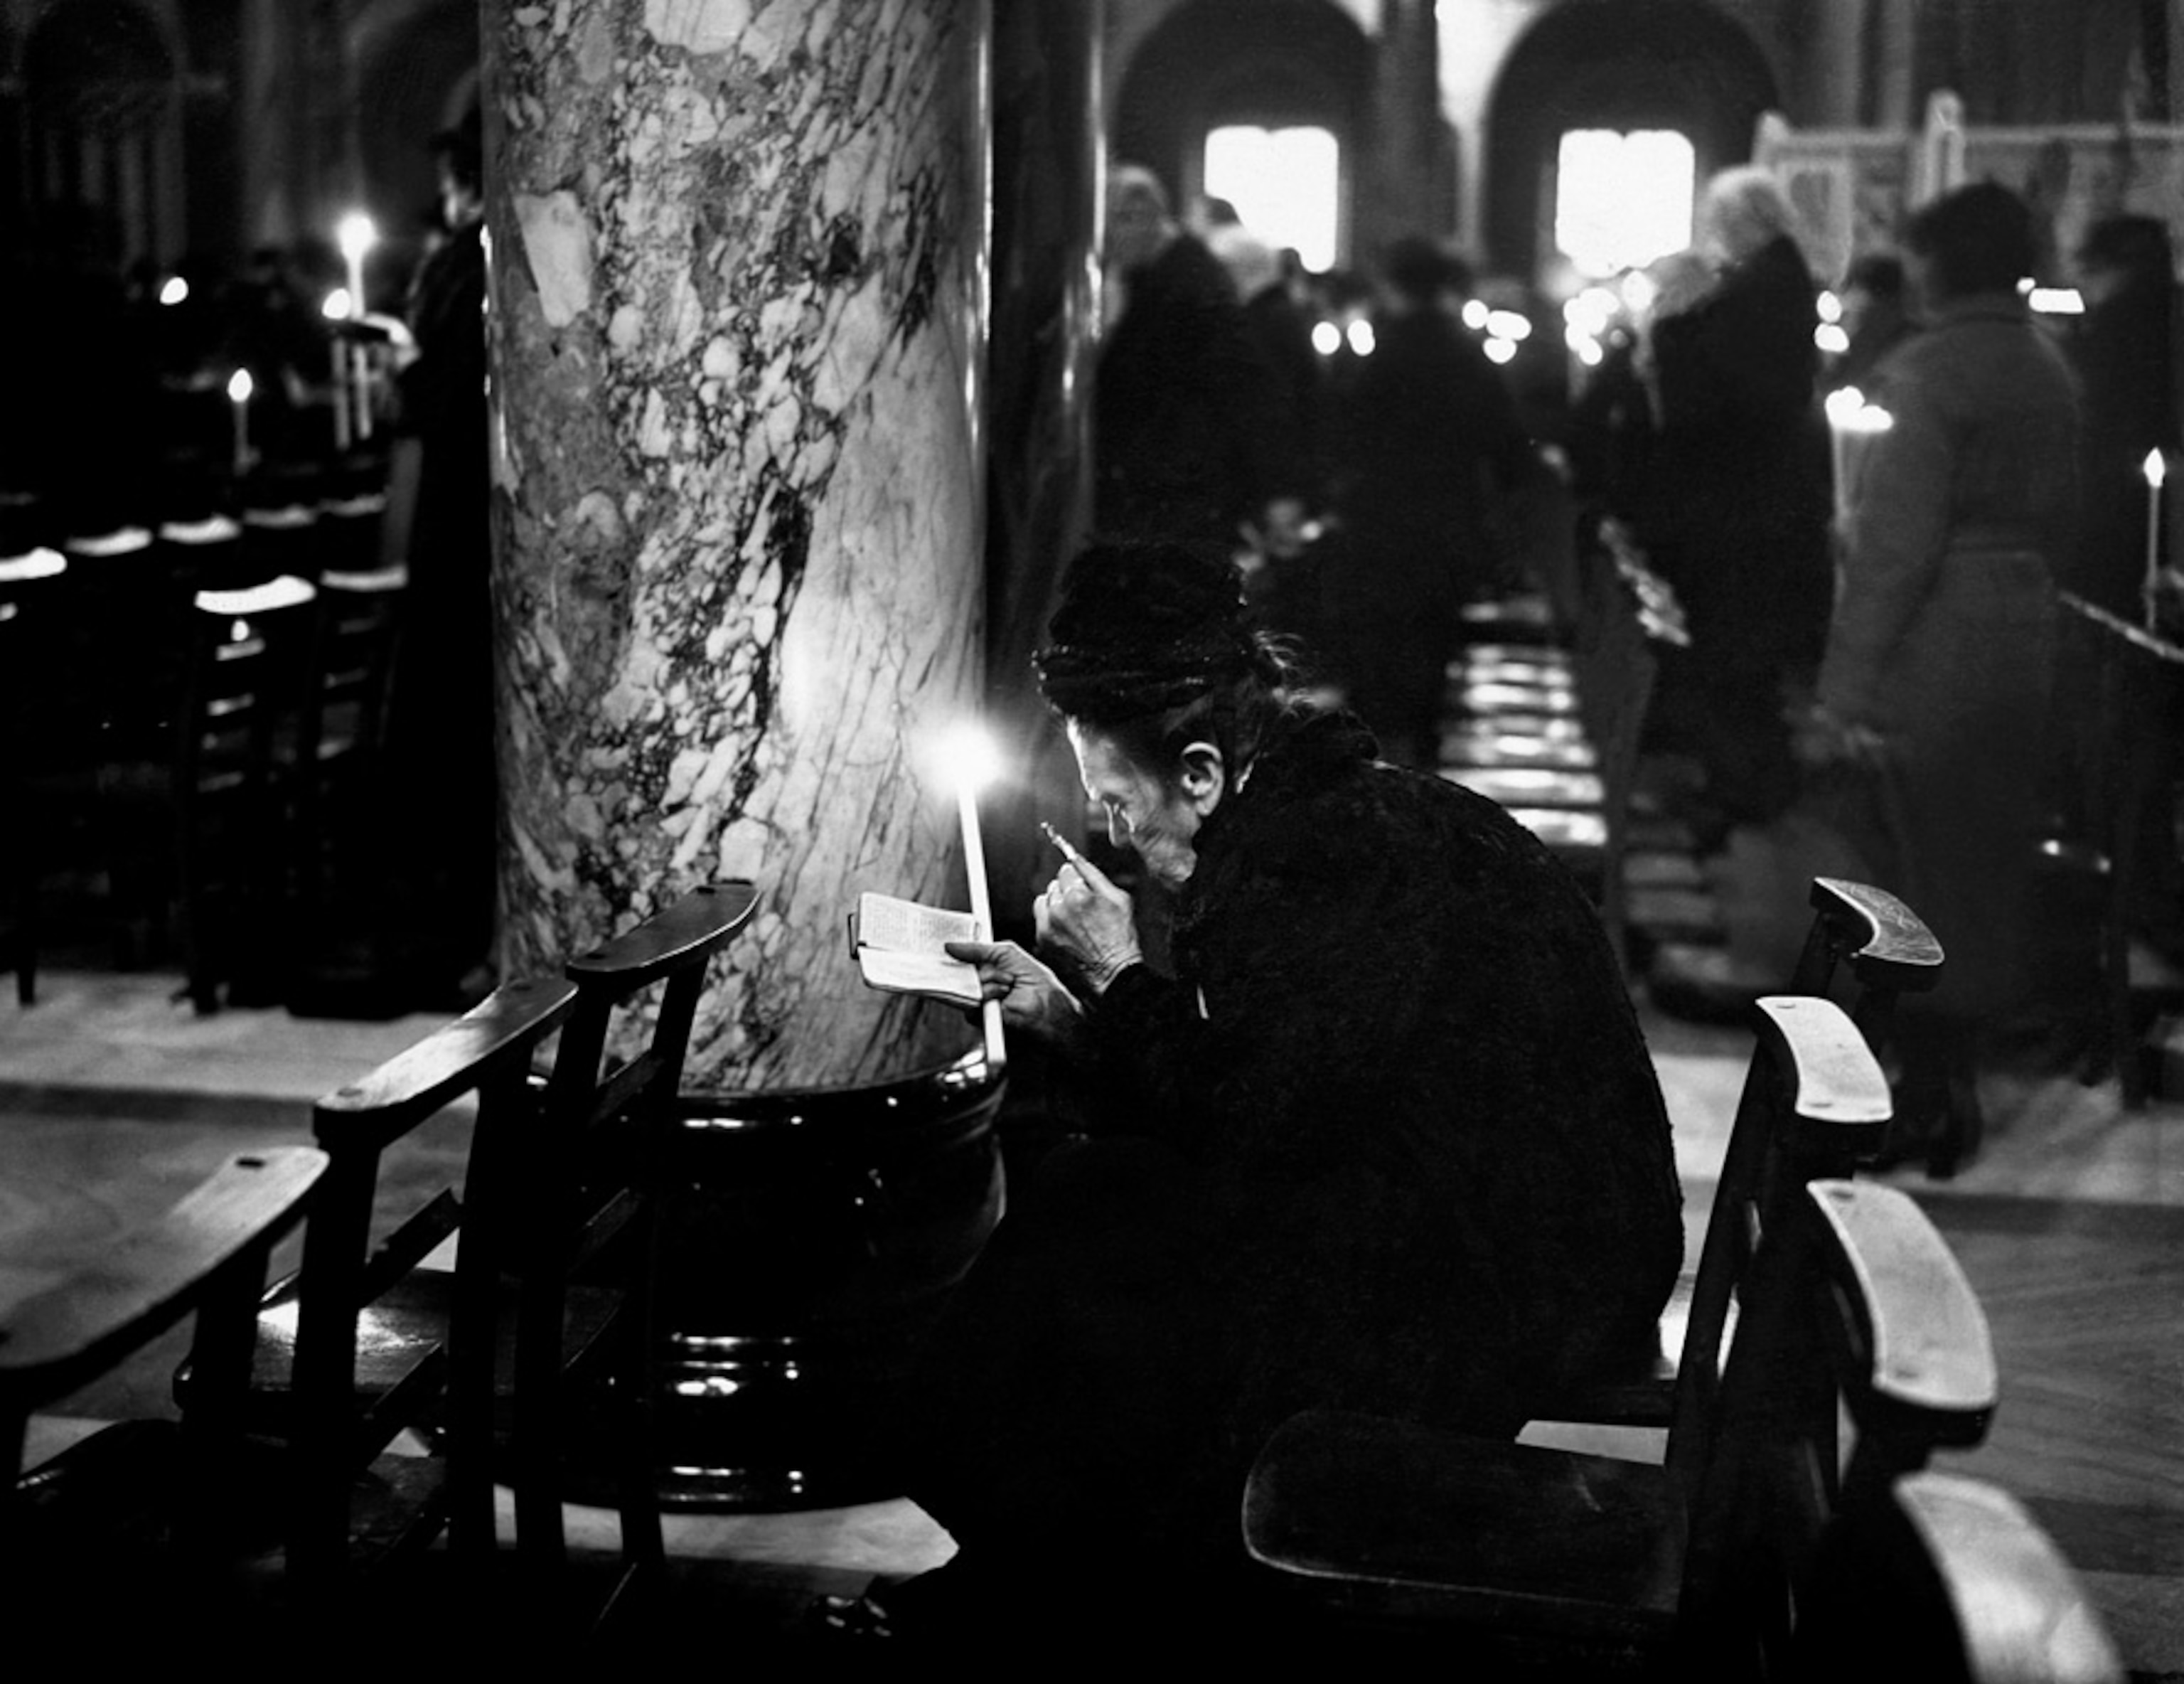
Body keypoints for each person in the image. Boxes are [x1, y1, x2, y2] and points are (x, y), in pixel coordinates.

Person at [845, 540, 1684, 1646]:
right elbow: (1265, 1089)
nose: (1115, 837)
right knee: (1111, 1206)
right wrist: (1070, 1012)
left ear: (1199, 772)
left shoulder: (1318, 858)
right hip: (1469, 1220)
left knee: (1124, 1235)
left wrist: (1115, 975)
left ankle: (1053, 1581)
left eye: (1119, 804)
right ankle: (1034, 1568)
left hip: (1532, 1276)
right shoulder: (1305, 816)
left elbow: (1251, 1126)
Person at [1797, 181, 2081, 1170]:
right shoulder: (2049, 367)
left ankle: (1920, 1095)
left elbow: (1898, 552)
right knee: (1983, 861)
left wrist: (1841, 695)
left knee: (1910, 865)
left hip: (1943, 633)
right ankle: (1948, 1078)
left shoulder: (1931, 369)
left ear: (1940, 261)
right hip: (2025, 622)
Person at [1639, 167, 1833, 841]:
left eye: (1721, 222)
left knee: (1736, 652)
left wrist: (1667, 330)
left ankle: (1748, 787)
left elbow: (1715, 400)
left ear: (1746, 220)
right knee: (1741, 654)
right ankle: (1743, 779)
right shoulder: (1776, 282)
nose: (1714, 236)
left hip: (1743, 505)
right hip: (1759, 497)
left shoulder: (1761, 289)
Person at [1326, 235, 1529, 767]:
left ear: (1392, 286)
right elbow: (1508, 444)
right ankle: (1425, 772)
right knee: (1431, 661)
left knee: (1379, 661)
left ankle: (1379, 780)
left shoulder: (1381, 354)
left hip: (1381, 530)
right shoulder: (1468, 355)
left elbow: (1346, 437)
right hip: (1448, 529)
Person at [378, 113, 496, 1007]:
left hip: (459, 512)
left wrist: (406, 359)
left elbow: (443, 390)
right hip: (470, 510)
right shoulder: (480, 255)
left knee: (454, 720)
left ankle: (463, 933)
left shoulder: (466, 261)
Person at [1095, 166, 1303, 555]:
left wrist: (1277, 490)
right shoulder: (1165, 277)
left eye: (1116, 222)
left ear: (1144, 217)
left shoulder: (1190, 285)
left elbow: (1246, 386)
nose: (1107, 238)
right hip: (1168, 486)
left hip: (1179, 489)